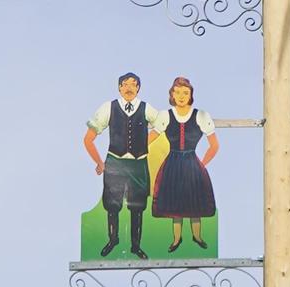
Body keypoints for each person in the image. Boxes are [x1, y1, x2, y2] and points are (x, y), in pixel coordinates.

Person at [83, 74, 156, 258]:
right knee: (112, 204)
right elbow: (88, 138)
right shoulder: (108, 107)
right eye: (125, 85)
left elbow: (164, 125)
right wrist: (99, 162)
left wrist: (145, 142)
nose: (129, 88)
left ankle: (136, 246)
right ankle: (113, 239)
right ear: (119, 88)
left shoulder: (147, 109)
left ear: (139, 87)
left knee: (138, 206)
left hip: (139, 164)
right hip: (115, 162)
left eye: (133, 84)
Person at [151, 76, 219, 252]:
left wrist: (202, 164)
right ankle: (176, 239)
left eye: (185, 92)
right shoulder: (165, 115)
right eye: (178, 92)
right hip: (172, 164)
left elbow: (214, 145)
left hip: (192, 163)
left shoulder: (201, 116)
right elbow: (151, 138)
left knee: (194, 203)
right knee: (176, 202)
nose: (181, 96)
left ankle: (197, 236)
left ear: (191, 95)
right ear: (172, 94)